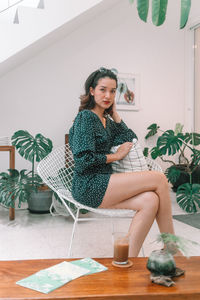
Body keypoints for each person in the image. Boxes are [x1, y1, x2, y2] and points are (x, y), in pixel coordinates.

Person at [69, 67, 175, 257]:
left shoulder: (106, 120)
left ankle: (125, 260)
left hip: (105, 182)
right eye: (103, 89)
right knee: (159, 179)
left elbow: (130, 139)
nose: (108, 95)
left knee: (151, 200)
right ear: (92, 91)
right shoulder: (85, 118)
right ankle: (172, 248)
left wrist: (115, 114)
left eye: (112, 90)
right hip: (88, 184)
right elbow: (83, 160)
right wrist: (116, 157)